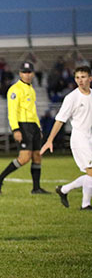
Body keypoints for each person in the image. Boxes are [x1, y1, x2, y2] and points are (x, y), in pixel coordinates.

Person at [0, 62, 50, 196]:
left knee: (37, 157)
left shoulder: (31, 89)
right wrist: (16, 129)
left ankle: (36, 188)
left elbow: (33, 111)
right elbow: (12, 111)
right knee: (24, 158)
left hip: (33, 126)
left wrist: (38, 128)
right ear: (20, 73)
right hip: (23, 126)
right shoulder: (15, 89)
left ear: (33, 73)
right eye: (24, 72)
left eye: (29, 72)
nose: (27, 75)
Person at [40, 66, 92, 210]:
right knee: (91, 172)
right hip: (79, 139)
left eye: (83, 77)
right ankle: (79, 200)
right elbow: (60, 120)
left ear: (90, 78)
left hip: (90, 137)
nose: (80, 80)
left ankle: (68, 192)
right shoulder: (72, 98)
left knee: (90, 174)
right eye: (77, 78)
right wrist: (49, 140)